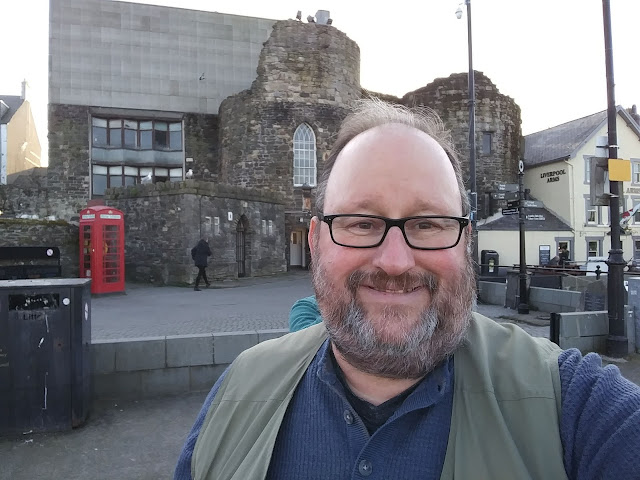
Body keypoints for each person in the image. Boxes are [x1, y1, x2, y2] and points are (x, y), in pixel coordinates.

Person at [175, 99, 640, 480]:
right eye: (361, 223)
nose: (395, 261)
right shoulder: (237, 392)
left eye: (428, 224)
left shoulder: (572, 405)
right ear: (315, 243)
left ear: (465, 241)